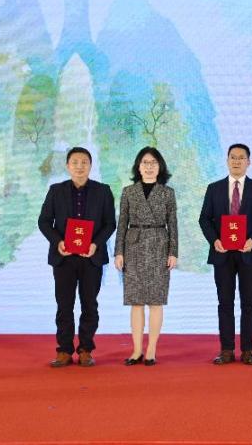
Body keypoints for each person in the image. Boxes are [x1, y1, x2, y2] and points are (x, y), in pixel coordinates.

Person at [38, 147, 116, 367]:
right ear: (67, 166)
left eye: (84, 162)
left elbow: (110, 223)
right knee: (64, 305)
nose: (79, 166)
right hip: (64, 257)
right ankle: (64, 350)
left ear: (90, 165)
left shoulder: (103, 191)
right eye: (75, 162)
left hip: (91, 257)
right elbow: (44, 221)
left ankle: (85, 350)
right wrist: (58, 242)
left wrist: (95, 244)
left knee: (89, 305)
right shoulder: (56, 191)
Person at [199, 143, 252, 365]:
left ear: (248, 162)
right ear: (227, 160)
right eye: (233, 157)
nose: (237, 161)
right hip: (222, 254)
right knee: (225, 303)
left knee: (249, 303)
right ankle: (227, 349)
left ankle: (248, 350)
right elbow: (204, 219)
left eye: (241, 158)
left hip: (248, 253)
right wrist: (215, 240)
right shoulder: (214, 188)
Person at [114, 147, 178, 366]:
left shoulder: (168, 193)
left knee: (156, 301)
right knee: (136, 302)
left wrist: (173, 252)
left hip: (159, 245)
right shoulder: (128, 192)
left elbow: (173, 224)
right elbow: (122, 223)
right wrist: (119, 252)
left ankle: (151, 350)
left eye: (153, 163)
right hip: (133, 246)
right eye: (145, 163)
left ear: (160, 167)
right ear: (138, 167)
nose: (149, 167)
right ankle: (136, 350)